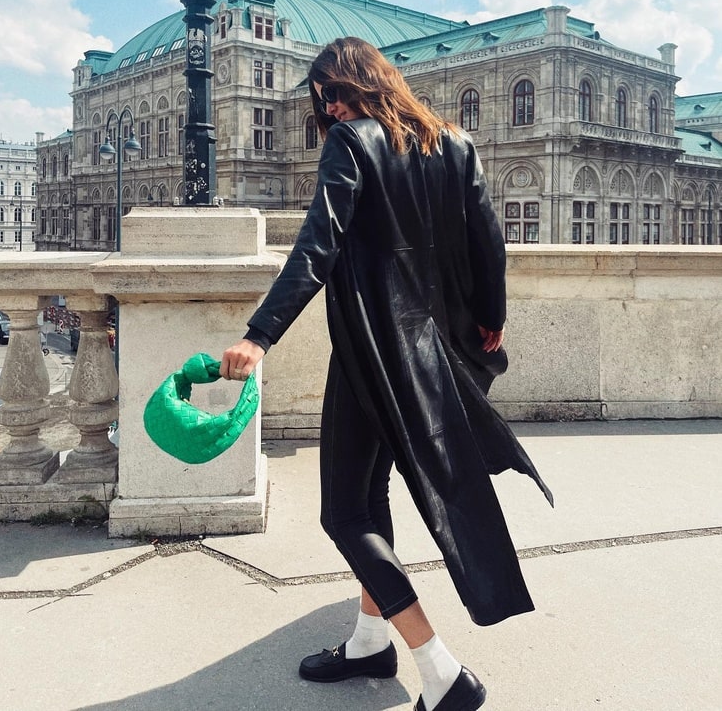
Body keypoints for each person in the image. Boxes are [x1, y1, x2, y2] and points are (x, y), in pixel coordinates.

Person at [221, 36, 552, 711]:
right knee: (370, 499)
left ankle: (441, 670)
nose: (331, 111)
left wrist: (259, 336)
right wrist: (491, 319)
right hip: (436, 352)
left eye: (334, 95)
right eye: (323, 102)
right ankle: (371, 638)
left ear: (359, 88)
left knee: (343, 513)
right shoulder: (454, 145)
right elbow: (490, 242)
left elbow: (318, 243)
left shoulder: (352, 144)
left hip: (373, 353)